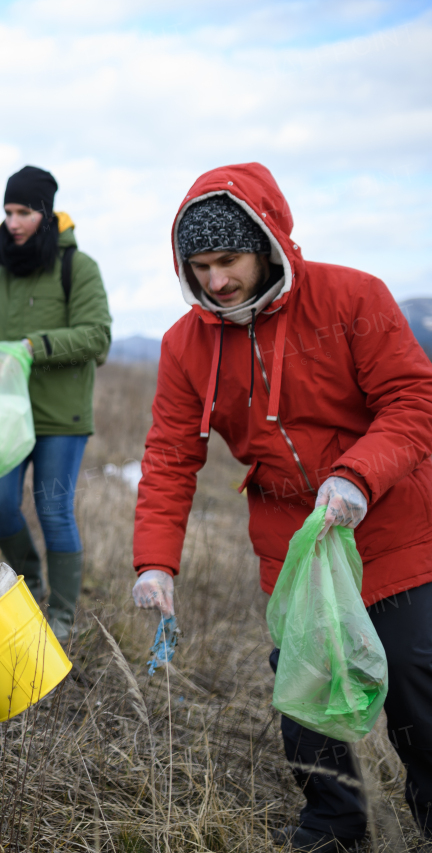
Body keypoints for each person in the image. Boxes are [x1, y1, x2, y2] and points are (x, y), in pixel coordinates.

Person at [132, 162, 432, 852]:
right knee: (305, 693)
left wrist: (357, 477)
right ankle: (334, 823)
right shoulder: (187, 343)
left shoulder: (353, 297)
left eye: (228, 260)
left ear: (265, 242)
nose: (215, 281)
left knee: (418, 677)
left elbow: (415, 401)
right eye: (199, 266)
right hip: (293, 542)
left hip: (393, 526)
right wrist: (156, 561)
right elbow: (172, 455)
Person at [0, 165, 111, 641]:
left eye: (25, 212)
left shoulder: (79, 267)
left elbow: (98, 337)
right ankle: (29, 583)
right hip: (2, 412)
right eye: (8, 211)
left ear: (46, 212)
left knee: (54, 510)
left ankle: (63, 616)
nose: (13, 222)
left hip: (60, 414)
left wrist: (34, 346)